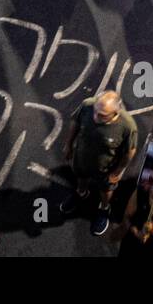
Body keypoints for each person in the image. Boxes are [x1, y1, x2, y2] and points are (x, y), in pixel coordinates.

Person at [60, 91, 138, 236]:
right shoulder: (88, 105)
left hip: (105, 168)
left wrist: (117, 172)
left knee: (105, 189)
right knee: (80, 177)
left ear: (116, 112)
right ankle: (81, 193)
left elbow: (130, 152)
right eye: (96, 111)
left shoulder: (127, 126)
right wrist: (68, 145)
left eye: (102, 115)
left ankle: (104, 208)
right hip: (81, 157)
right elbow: (75, 123)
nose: (96, 116)